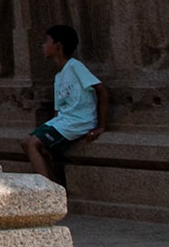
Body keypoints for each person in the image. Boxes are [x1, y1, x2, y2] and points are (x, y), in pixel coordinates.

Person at [24, 23, 107, 184]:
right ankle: (53, 182)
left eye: (47, 41)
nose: (43, 46)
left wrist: (101, 126)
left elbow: (102, 90)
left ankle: (46, 190)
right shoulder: (58, 76)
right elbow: (59, 109)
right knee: (26, 142)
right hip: (63, 121)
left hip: (79, 121)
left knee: (32, 144)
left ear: (58, 46)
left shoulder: (75, 66)